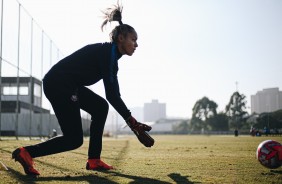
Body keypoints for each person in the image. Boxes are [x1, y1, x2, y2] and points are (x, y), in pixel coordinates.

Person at [12, 3, 154, 176]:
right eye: (133, 39)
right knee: (74, 139)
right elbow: (112, 95)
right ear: (121, 38)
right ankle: (26, 152)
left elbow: (113, 95)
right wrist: (133, 122)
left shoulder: (111, 58)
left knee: (100, 107)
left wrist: (132, 122)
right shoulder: (107, 54)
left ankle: (94, 160)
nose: (136, 44)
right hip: (59, 84)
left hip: (68, 84)